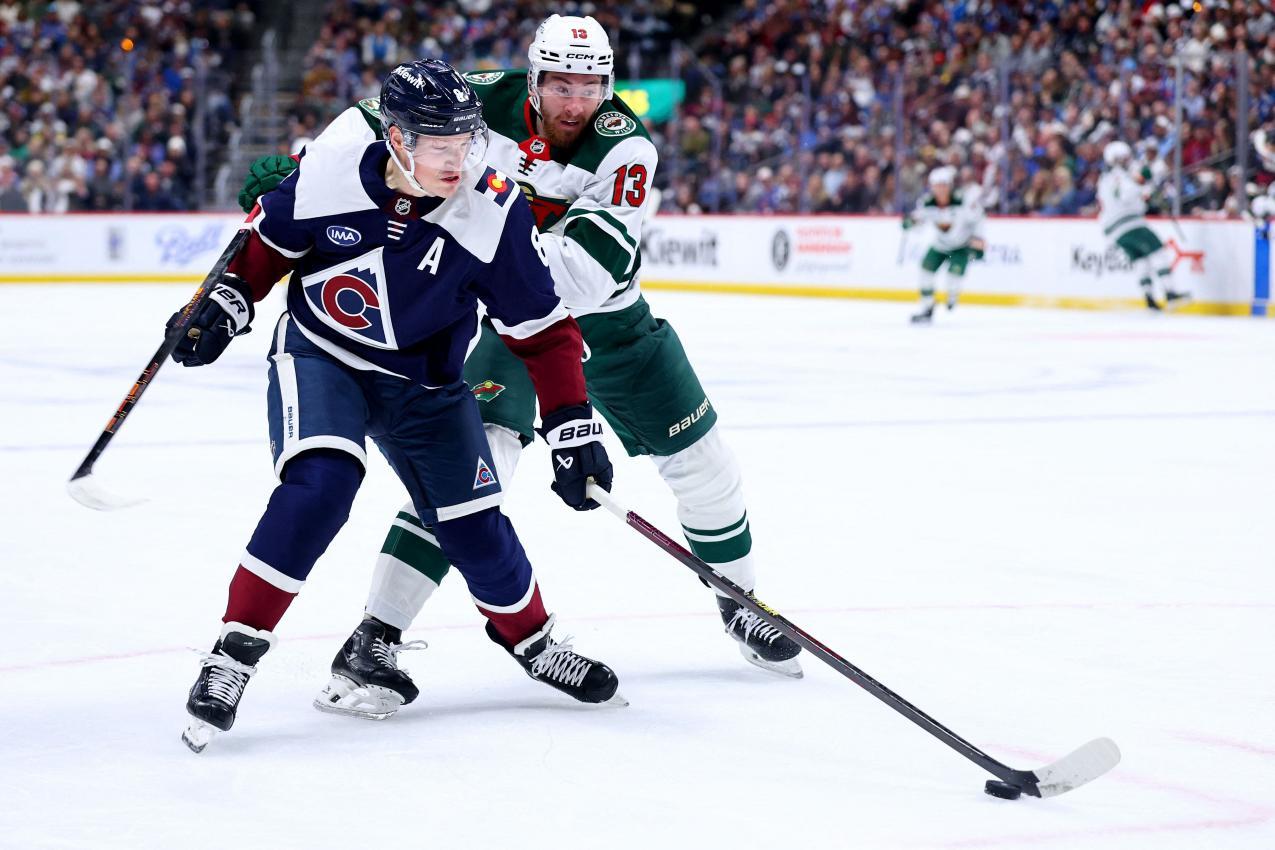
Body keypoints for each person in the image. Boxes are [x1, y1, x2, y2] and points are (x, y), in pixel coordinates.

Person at [240, 14, 803, 721]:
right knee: (471, 473)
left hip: (605, 323)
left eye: (592, 85)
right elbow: (372, 125)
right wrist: (309, 177)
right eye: (561, 84)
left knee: (705, 466)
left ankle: (739, 600)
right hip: (507, 323)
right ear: (532, 79)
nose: (576, 102)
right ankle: (374, 639)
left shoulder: (625, 149)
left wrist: (489, 240)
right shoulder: (478, 102)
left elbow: (583, 276)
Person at [178, 59, 621, 753]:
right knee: (320, 486)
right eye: (439, 144)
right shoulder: (330, 170)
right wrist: (222, 305)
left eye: (467, 141)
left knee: (476, 526)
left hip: (426, 383)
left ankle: (531, 644)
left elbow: (543, 329)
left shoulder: (492, 206)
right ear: (395, 137)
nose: (458, 160)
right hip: (324, 354)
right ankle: (231, 657)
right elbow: (263, 252)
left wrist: (570, 424)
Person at [1096, 141, 1192, 311]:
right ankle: (1170, 292)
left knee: (1141, 258)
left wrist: (1143, 187)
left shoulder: (1104, 179)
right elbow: (1127, 194)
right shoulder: (1119, 175)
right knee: (1158, 251)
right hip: (1129, 222)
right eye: (1124, 157)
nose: (1127, 160)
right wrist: (1145, 190)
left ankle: (1148, 297)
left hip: (1114, 229)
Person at [904, 166, 987, 324]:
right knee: (925, 273)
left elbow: (979, 218)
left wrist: (978, 238)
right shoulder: (927, 202)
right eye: (937, 185)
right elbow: (919, 219)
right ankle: (927, 309)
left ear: (949, 186)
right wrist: (911, 222)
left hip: (961, 246)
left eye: (944, 185)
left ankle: (952, 296)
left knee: (953, 279)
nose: (941, 190)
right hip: (940, 245)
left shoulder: (963, 201)